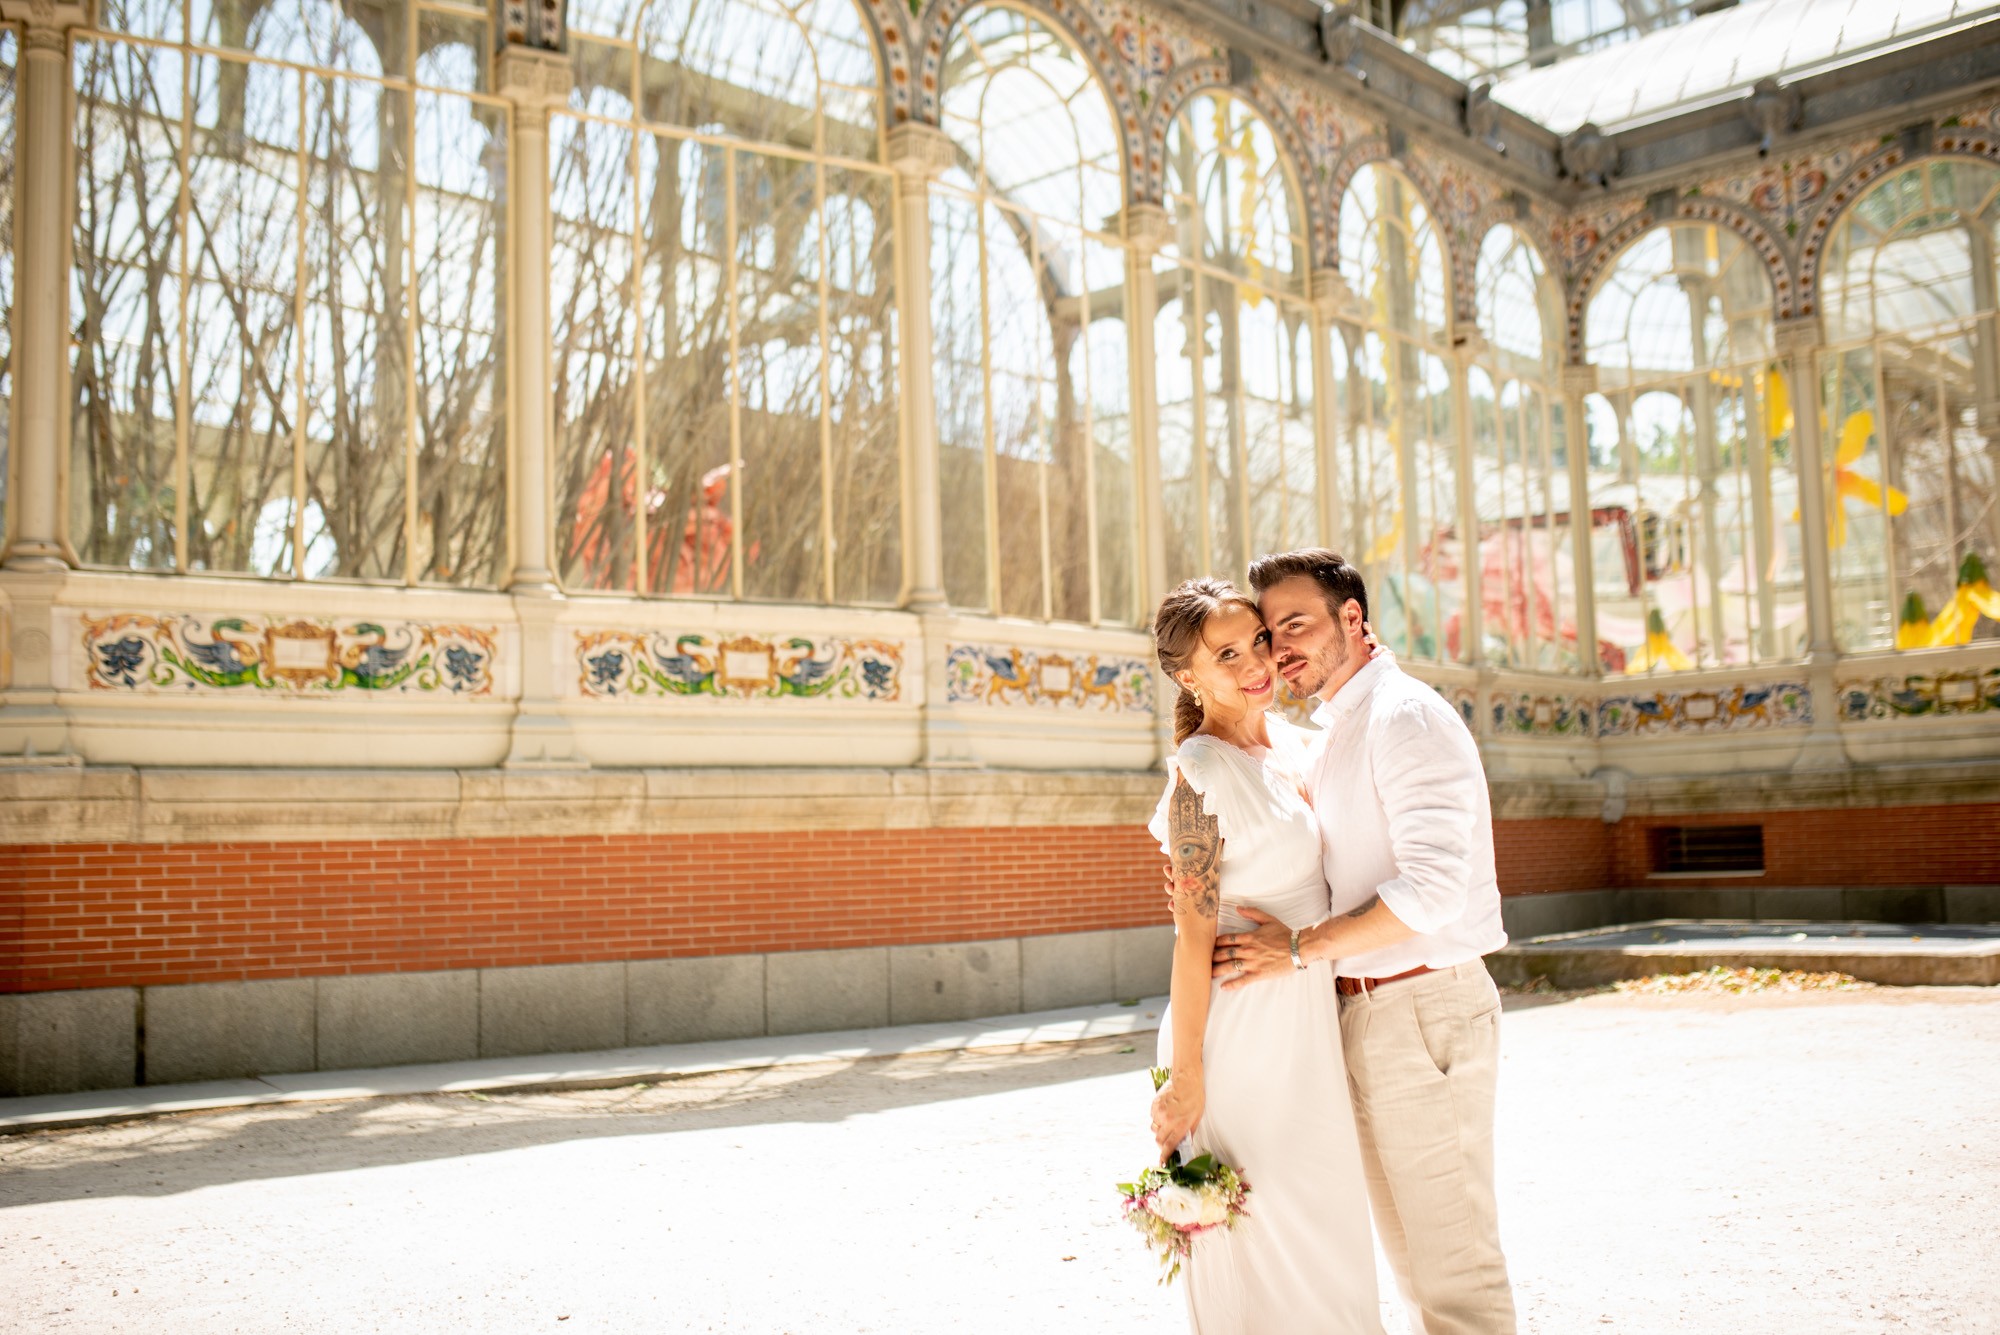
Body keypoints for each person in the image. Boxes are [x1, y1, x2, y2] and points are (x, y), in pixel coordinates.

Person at [1212, 548, 1517, 1335]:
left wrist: (1301, 947)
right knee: (1416, 1266)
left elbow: (1433, 890)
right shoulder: (1339, 727)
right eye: (1269, 632)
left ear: (1353, 618)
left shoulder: (1403, 716)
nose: (1280, 649)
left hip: (1423, 1008)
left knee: (1455, 1270)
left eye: (1296, 624)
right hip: (1368, 1011)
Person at [1149, 577, 1381, 1334]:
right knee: (1270, 1229)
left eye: (1257, 641)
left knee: (1327, 1217)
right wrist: (1187, 1081)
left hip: (1308, 1015)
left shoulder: (1294, 744)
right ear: (1188, 676)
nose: (1256, 663)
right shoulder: (1199, 774)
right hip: (1243, 1029)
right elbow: (1191, 936)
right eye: (1227, 654)